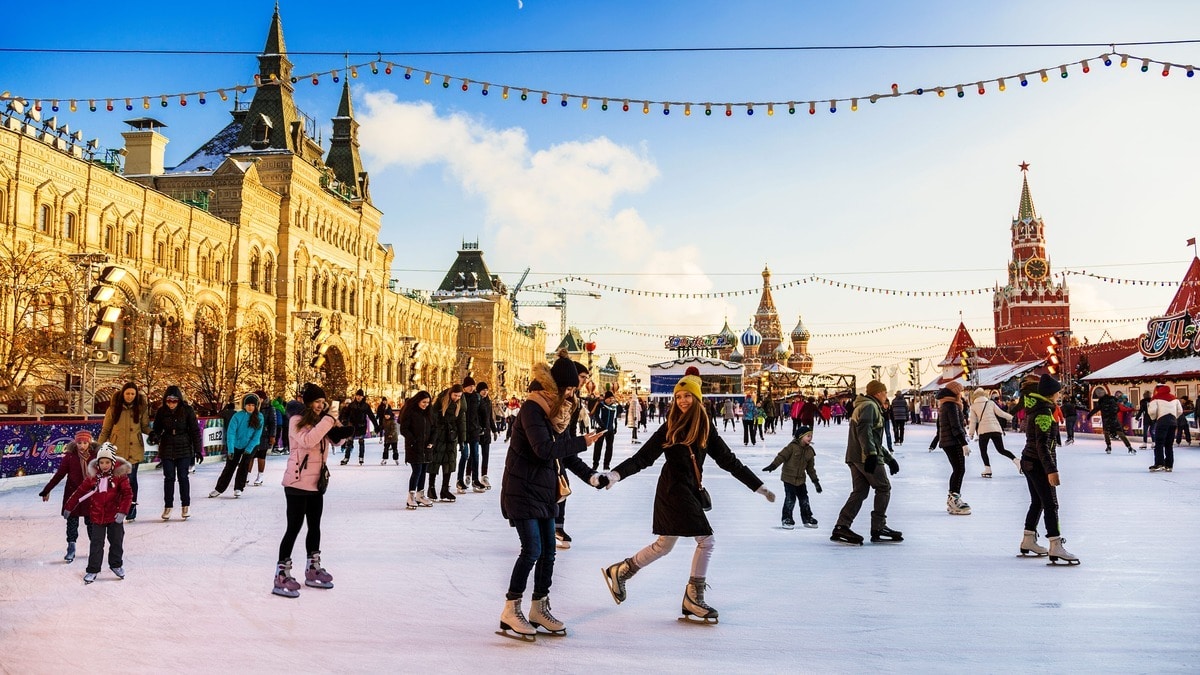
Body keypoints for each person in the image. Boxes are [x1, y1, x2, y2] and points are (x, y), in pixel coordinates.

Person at [601, 371, 774, 625]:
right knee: (707, 541)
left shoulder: (705, 426)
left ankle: (621, 571)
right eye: (678, 396)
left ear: (697, 398)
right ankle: (693, 596)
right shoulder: (670, 425)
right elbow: (643, 458)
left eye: (687, 396)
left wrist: (757, 486)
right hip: (673, 491)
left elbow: (728, 461)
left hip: (688, 490)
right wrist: (616, 474)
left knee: (664, 545)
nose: (682, 401)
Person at [498, 351, 606, 640]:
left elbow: (565, 454)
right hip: (521, 489)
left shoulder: (557, 412)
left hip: (545, 491)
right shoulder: (534, 409)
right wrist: (582, 442)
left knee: (548, 552)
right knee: (532, 549)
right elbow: (544, 450)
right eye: (569, 388)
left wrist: (592, 476)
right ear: (556, 386)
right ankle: (511, 608)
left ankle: (538, 607)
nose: (572, 394)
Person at [273, 383, 355, 598]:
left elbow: (332, 440)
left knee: (315, 526)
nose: (321, 405)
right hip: (297, 484)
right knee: (294, 528)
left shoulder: (320, 421)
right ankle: (282, 572)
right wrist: (328, 420)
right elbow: (309, 441)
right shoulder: (296, 421)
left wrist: (341, 432)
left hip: (316, 483)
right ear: (308, 402)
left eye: (323, 402)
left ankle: (313, 567)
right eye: (317, 402)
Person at [831, 380, 901, 545]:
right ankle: (878, 527)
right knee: (883, 487)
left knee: (860, 492)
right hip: (864, 457)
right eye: (884, 392)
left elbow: (873, 439)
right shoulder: (869, 406)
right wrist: (871, 455)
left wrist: (889, 459)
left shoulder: (865, 405)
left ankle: (842, 526)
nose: (886, 396)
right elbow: (865, 432)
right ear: (878, 393)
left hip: (855, 456)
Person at [1018, 374, 1078, 564]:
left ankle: (1028, 540)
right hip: (1037, 463)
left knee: (1038, 502)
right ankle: (1055, 544)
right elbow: (1042, 445)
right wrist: (1051, 470)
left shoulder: (1039, 408)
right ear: (1051, 393)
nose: (1060, 394)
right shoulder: (1043, 412)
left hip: (1029, 460)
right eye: (1058, 391)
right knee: (1051, 503)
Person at [65, 444, 133, 583]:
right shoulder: (93, 476)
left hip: (115, 516)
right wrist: (69, 506)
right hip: (97, 516)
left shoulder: (120, 476)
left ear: (112, 462)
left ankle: (116, 565)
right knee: (96, 544)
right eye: (101, 462)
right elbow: (80, 491)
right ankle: (93, 569)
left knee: (116, 541)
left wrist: (122, 511)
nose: (104, 465)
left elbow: (127, 494)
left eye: (107, 462)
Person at [41, 429, 97, 563]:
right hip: (73, 494)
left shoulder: (95, 456)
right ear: (75, 443)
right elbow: (59, 475)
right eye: (79, 443)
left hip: (90, 494)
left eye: (84, 443)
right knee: (72, 523)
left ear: (89, 443)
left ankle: (94, 549)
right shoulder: (70, 457)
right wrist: (47, 490)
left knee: (91, 523)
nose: (82, 446)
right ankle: (71, 547)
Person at [97, 382, 150, 522]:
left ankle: (131, 507)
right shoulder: (113, 409)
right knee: (116, 481)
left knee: (131, 480)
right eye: (128, 393)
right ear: (123, 394)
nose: (130, 396)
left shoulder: (141, 408)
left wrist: (153, 433)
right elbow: (106, 430)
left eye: (133, 394)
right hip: (117, 450)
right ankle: (115, 506)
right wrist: (98, 447)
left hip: (134, 450)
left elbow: (144, 427)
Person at [152, 385, 202, 519]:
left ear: (179, 400)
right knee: (169, 477)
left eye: (174, 401)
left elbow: (195, 431)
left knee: (183, 476)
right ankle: (168, 506)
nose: (171, 404)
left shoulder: (187, 410)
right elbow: (157, 429)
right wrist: (154, 436)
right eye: (169, 401)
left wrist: (198, 450)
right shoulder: (161, 411)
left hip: (184, 447)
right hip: (167, 446)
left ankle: (186, 505)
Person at [763, 425, 821, 529]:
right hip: (788, 478)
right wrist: (773, 466)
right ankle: (787, 518)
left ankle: (807, 518)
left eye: (811, 436)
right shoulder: (792, 447)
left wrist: (815, 481)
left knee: (804, 499)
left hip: (800, 479)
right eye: (808, 436)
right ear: (800, 436)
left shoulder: (810, 451)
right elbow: (781, 456)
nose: (810, 438)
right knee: (790, 498)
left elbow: (811, 469)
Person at [209, 393, 264, 499]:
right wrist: (230, 449)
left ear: (256, 406)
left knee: (244, 465)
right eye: (248, 405)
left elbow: (257, 436)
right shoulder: (237, 416)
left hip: (251, 445)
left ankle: (239, 488)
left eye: (253, 405)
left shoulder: (259, 417)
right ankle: (219, 489)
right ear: (244, 405)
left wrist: (248, 449)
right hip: (236, 445)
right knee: (230, 466)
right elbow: (231, 433)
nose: (250, 407)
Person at [935, 381, 971, 515]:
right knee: (959, 469)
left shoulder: (946, 404)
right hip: (953, 441)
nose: (961, 395)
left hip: (948, 441)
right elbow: (955, 426)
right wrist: (963, 443)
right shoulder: (951, 405)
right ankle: (954, 499)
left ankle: (953, 498)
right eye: (960, 392)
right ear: (955, 392)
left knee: (958, 469)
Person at [968, 389, 1017, 479]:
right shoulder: (990, 403)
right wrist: (1011, 417)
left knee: (983, 451)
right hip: (995, 429)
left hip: (983, 431)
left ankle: (988, 469)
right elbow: (1001, 413)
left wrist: (970, 434)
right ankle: (1017, 461)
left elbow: (973, 422)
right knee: (1001, 449)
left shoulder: (973, 406)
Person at [400, 390, 436, 509]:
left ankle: (421, 495)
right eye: (423, 402)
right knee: (417, 471)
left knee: (423, 470)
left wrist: (431, 441)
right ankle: (411, 495)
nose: (426, 405)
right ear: (418, 401)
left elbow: (435, 428)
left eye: (428, 402)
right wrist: (413, 440)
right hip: (414, 447)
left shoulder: (429, 413)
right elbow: (404, 429)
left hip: (426, 448)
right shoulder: (411, 412)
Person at [429, 384, 464, 502]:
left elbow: (461, 422)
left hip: (451, 437)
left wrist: (462, 440)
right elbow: (432, 419)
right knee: (435, 462)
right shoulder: (440, 401)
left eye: (459, 396)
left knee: (449, 463)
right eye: (455, 395)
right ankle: (431, 488)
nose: (457, 398)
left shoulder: (459, 404)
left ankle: (445, 489)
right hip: (439, 437)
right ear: (450, 393)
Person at [1088, 386, 1135, 454]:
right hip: (1114, 419)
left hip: (1106, 420)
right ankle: (1129, 447)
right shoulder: (1112, 399)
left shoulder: (1101, 402)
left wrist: (1089, 415)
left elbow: (1096, 409)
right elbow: (1118, 408)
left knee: (1106, 433)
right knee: (1120, 433)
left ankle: (1109, 446)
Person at [1147, 384, 1182, 472]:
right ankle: (1169, 465)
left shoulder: (1156, 398)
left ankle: (1159, 463)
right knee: (1169, 444)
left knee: (1159, 443)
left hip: (1162, 421)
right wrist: (1174, 417)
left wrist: (1154, 418)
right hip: (1173, 422)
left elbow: (1152, 411)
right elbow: (1180, 411)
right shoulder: (1175, 398)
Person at [338, 389, 377, 465]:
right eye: (357, 396)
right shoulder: (352, 405)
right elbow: (346, 414)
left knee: (361, 442)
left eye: (360, 396)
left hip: (361, 426)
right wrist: (344, 420)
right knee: (349, 442)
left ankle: (361, 457)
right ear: (355, 396)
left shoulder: (365, 406)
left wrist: (376, 426)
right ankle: (346, 458)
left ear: (362, 397)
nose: (358, 397)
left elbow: (371, 416)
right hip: (352, 426)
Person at [458, 376, 482, 493]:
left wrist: (482, 427)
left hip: (474, 431)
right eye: (469, 386)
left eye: (473, 386)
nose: (472, 388)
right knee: (465, 455)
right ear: (464, 387)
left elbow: (482, 413)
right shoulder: (460, 398)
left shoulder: (476, 397)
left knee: (476, 456)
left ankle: (475, 479)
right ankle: (459, 480)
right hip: (463, 431)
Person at [476, 382, 499, 489]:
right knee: (474, 456)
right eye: (483, 390)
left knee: (485, 455)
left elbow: (490, 418)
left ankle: (484, 476)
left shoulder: (488, 401)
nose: (485, 392)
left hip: (486, 433)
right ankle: (469, 475)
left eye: (486, 390)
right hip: (476, 432)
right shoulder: (475, 400)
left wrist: (494, 431)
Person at [250, 390, 275, 485]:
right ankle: (247, 475)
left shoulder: (269, 408)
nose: (259, 400)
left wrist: (272, 435)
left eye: (260, 398)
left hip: (264, 435)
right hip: (252, 435)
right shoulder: (252, 407)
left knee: (261, 455)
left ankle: (260, 476)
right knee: (250, 455)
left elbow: (273, 423)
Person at [592, 390, 619, 470]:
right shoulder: (601, 405)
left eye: (612, 398)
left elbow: (614, 418)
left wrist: (615, 428)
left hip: (610, 430)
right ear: (606, 398)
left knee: (609, 447)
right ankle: (595, 464)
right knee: (598, 447)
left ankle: (606, 464)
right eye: (610, 398)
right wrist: (602, 426)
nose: (611, 400)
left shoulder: (614, 407)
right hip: (601, 430)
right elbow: (597, 416)